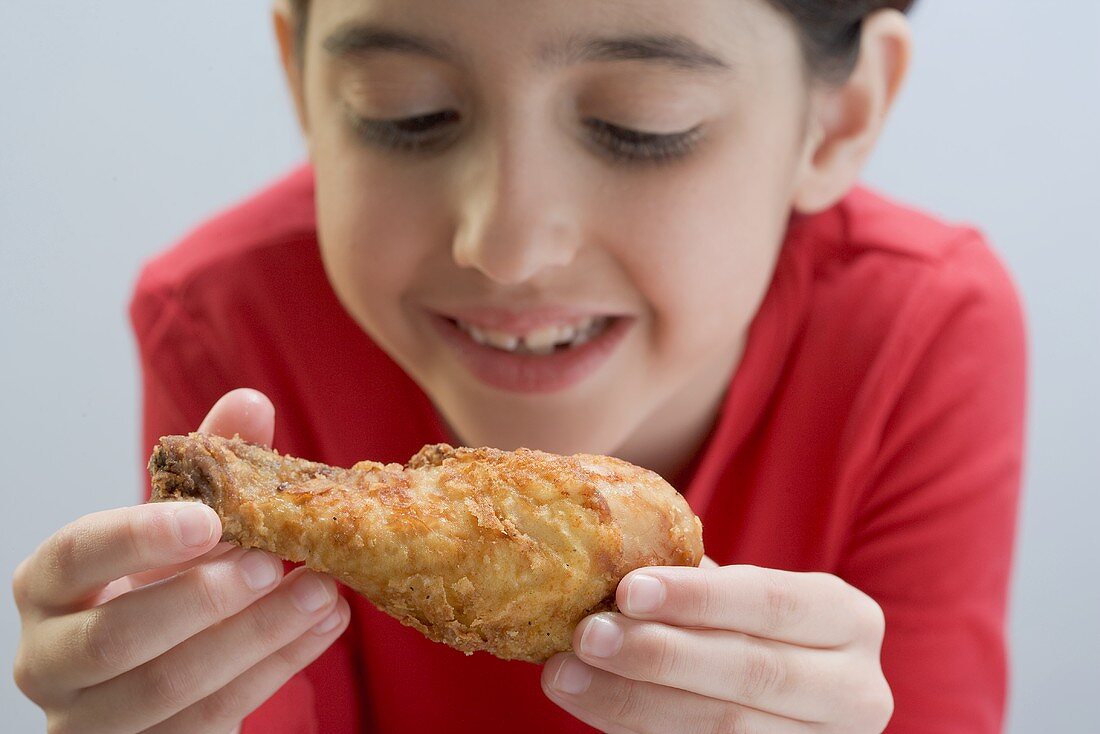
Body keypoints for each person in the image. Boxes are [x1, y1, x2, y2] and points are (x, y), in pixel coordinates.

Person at [12, 0, 1027, 732]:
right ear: (304, 84)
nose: (503, 244)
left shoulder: (918, 333)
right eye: (403, 110)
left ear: (837, 116)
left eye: (641, 125)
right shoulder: (225, 324)